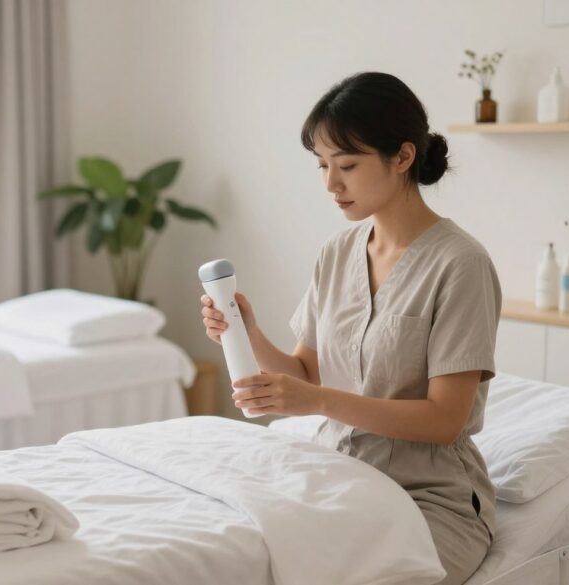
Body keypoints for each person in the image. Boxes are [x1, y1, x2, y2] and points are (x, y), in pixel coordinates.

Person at [200, 71, 500, 585]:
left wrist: (316, 403)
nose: (330, 184)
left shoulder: (460, 264)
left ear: (403, 157)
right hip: (338, 477)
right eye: (321, 166)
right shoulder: (337, 254)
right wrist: (248, 332)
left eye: (348, 165)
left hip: (428, 498)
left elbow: (443, 420)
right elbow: (307, 371)